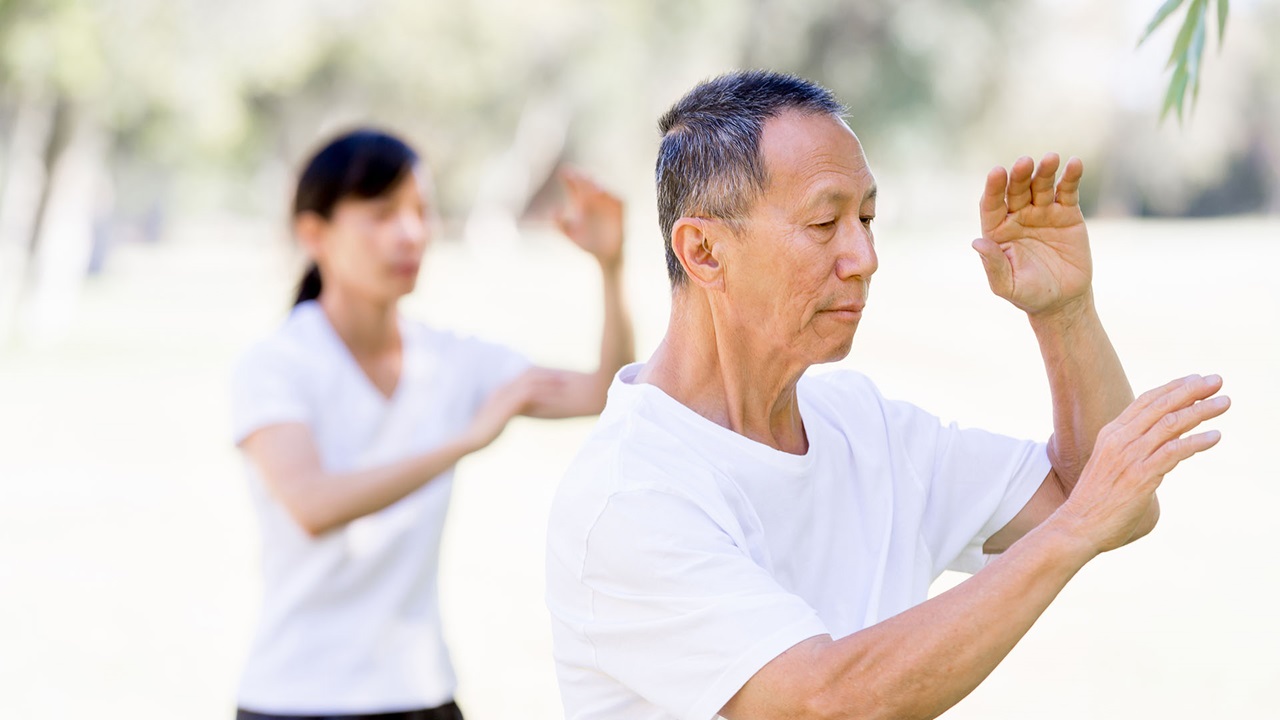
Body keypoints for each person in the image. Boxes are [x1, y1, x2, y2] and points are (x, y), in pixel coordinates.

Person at [544, 70, 1230, 720]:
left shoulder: (865, 427)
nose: (864, 258)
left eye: (867, 220)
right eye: (824, 224)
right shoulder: (628, 496)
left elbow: (1103, 501)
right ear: (704, 252)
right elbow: (825, 702)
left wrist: (1065, 313)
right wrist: (1073, 531)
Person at [230, 128, 634, 720]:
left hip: (423, 695)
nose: (412, 233)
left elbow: (604, 391)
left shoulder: (451, 359)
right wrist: (467, 439)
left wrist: (611, 267)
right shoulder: (277, 364)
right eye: (382, 213)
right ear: (313, 234)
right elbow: (312, 504)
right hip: (295, 698)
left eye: (421, 212)